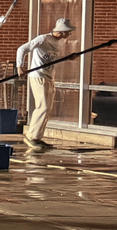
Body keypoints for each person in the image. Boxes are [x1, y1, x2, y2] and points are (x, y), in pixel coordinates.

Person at [15, 16, 74, 152]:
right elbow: (22, 49)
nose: (69, 34)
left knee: (47, 108)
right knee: (43, 106)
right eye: (68, 31)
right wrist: (20, 66)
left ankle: (37, 137)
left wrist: (68, 58)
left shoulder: (57, 42)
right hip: (38, 76)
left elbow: (51, 59)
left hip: (49, 77)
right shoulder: (43, 39)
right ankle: (31, 136)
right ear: (61, 31)